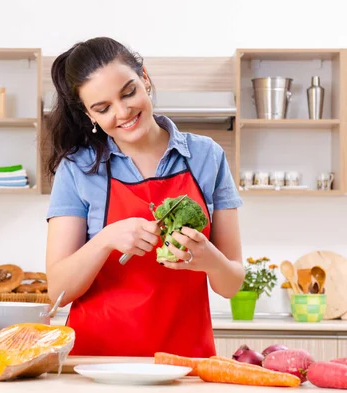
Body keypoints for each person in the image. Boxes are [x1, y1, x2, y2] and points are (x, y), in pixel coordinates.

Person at [44, 37, 245, 358]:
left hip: (186, 365)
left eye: (128, 92)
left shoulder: (207, 156)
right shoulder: (78, 168)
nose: (123, 112)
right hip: (97, 365)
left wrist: (209, 258)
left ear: (145, 79)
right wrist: (106, 239)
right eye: (103, 108)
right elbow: (58, 291)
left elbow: (231, 284)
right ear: (88, 114)